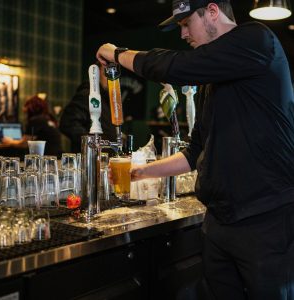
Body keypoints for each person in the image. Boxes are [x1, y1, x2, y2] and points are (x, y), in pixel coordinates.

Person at [96, 0, 294, 299]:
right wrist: (140, 173)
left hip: (265, 219)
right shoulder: (211, 83)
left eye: (187, 23)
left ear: (212, 11)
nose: (183, 34)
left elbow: (177, 66)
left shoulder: (257, 39)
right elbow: (195, 151)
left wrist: (118, 54)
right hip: (218, 221)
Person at [59, 61, 117, 153]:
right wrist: (92, 142)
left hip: (102, 159)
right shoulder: (87, 95)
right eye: (105, 73)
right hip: (89, 160)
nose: (110, 78)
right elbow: (68, 123)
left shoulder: (103, 97)